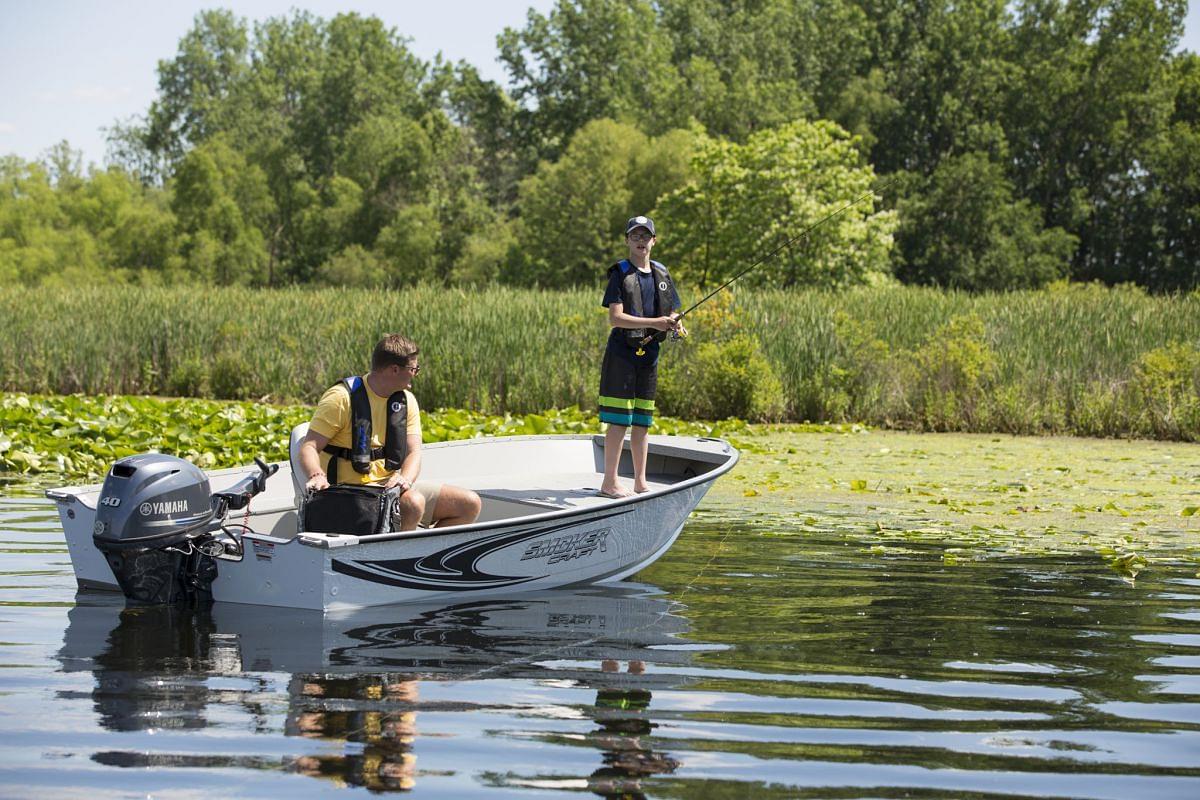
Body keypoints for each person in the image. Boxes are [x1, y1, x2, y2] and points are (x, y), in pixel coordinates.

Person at [298, 333, 481, 531]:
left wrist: (405, 479)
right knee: (413, 503)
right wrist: (316, 475)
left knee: (468, 504)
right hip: (350, 493)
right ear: (394, 369)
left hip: (389, 487)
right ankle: (399, 557)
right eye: (413, 369)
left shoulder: (406, 401)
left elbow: (413, 452)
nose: (416, 373)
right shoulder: (340, 398)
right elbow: (309, 446)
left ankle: (421, 554)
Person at [598, 215, 684, 498]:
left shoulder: (662, 273)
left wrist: (675, 322)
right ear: (627, 241)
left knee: (643, 421)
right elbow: (616, 317)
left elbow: (672, 310)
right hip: (622, 356)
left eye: (645, 236)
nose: (640, 241)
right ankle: (609, 483)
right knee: (620, 420)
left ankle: (640, 482)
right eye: (635, 236)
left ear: (654, 241)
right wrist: (654, 323)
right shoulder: (620, 274)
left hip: (650, 356)